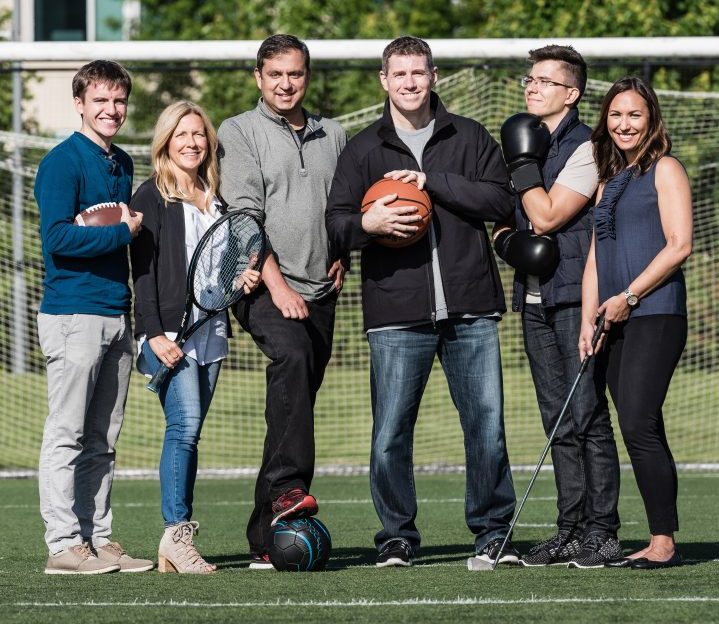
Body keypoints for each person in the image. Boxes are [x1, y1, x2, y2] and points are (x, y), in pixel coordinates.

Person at [325, 36, 517, 568]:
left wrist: (433, 183)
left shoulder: (469, 135)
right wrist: (368, 224)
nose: (409, 83)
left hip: (470, 307)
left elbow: (502, 199)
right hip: (395, 311)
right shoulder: (363, 149)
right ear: (384, 81)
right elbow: (337, 223)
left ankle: (492, 532)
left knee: (486, 426)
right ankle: (396, 536)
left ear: (434, 76)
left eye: (418, 72)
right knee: (390, 433)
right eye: (399, 74)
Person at [217, 34, 347, 570]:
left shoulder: (333, 133)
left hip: (320, 290)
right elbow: (244, 216)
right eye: (275, 75)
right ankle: (291, 491)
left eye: (294, 74)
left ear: (307, 76)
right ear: (258, 77)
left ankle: (262, 537)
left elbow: (343, 204)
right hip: (259, 284)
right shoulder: (238, 132)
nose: (285, 84)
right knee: (290, 357)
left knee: (295, 405)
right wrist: (277, 285)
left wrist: (343, 254)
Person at [492, 45, 622, 568]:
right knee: (557, 420)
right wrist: (504, 240)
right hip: (533, 296)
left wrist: (522, 168)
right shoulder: (529, 142)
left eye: (545, 81)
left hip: (575, 297)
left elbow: (545, 218)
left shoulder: (589, 145)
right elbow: (506, 223)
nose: (532, 87)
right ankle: (570, 528)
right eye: (530, 79)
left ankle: (602, 530)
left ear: (571, 93)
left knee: (588, 414)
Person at [130, 101, 261, 573]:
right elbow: (141, 274)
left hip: (211, 333)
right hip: (168, 334)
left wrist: (242, 278)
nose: (191, 142)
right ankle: (177, 534)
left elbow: (220, 268)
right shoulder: (151, 196)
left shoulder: (217, 198)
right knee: (182, 428)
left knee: (192, 432)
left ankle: (173, 541)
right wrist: (151, 334)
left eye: (199, 134)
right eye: (181, 134)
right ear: (166, 141)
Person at [35, 60, 152, 574]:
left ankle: (97, 538)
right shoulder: (61, 162)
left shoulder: (123, 163)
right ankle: (62, 543)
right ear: (80, 104)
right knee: (66, 433)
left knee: (103, 439)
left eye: (119, 100)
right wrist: (119, 234)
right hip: (72, 314)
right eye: (100, 100)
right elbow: (57, 237)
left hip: (115, 313)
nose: (111, 110)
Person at [580, 76, 692, 570]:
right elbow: (594, 256)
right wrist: (588, 318)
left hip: (656, 312)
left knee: (638, 422)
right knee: (638, 427)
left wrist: (628, 295)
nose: (624, 124)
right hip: (614, 318)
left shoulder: (665, 169)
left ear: (651, 120)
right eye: (615, 115)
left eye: (634, 115)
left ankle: (663, 542)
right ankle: (657, 533)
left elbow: (679, 244)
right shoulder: (608, 179)